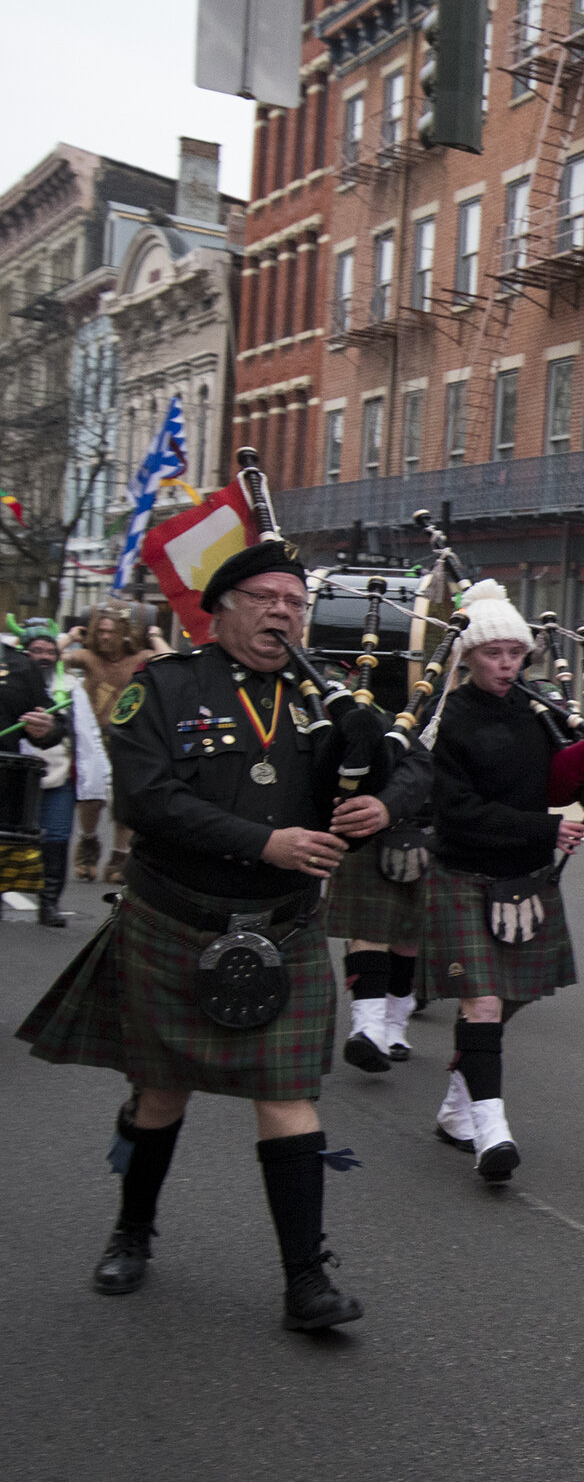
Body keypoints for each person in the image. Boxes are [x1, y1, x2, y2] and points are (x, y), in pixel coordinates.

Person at [13, 540, 369, 1331]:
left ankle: (306, 1281)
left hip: (283, 927)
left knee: (287, 1097)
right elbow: (146, 800)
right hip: (175, 919)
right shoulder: (164, 689)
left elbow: (395, 769)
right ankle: (132, 1231)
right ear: (224, 608)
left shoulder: (328, 698)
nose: (286, 611)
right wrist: (263, 843)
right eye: (268, 597)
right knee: (159, 1093)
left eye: (296, 600)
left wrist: (387, 803)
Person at [421, 579, 584, 1182]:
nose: (505, 664)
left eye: (515, 653)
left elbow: (562, 775)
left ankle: (457, 1105)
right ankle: (491, 1133)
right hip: (464, 871)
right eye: (493, 653)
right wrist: (544, 829)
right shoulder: (450, 719)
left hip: (524, 877)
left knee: (508, 1002)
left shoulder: (537, 710)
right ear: (469, 655)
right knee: (484, 999)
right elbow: (457, 812)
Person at [328, 724, 433, 1072]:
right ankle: (367, 1029)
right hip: (369, 820)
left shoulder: (452, 701)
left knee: (408, 937)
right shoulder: (368, 699)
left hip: (426, 823)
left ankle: (394, 1023)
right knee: (368, 928)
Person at [61, 606, 170, 883]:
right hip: (92, 738)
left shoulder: (140, 658)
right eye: (100, 632)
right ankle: (87, 845)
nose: (105, 637)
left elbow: (168, 660)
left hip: (127, 737)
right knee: (91, 798)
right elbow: (52, 657)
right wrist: (71, 636)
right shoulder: (88, 657)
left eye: (110, 632)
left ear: (123, 634)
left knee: (124, 802)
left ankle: (119, 858)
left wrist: (155, 635)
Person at [9, 628, 78, 925]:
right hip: (15, 780)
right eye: (38, 650)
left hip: (44, 776)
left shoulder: (66, 685)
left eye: (50, 651)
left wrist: (47, 727)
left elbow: (59, 728)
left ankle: (49, 903)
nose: (44, 657)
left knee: (55, 838)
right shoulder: (14, 671)